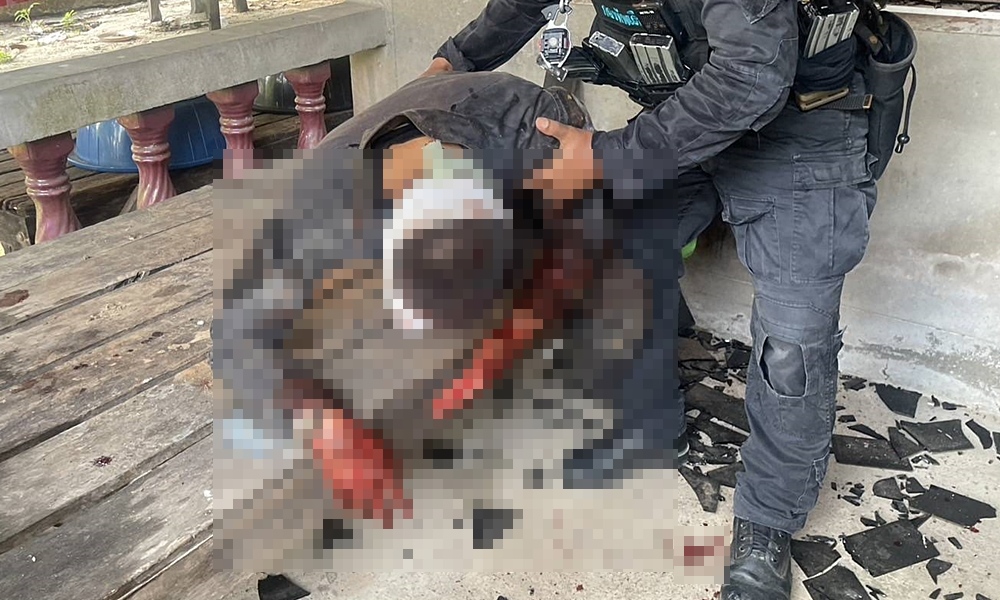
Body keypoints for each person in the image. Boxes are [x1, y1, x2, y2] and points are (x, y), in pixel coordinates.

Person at [418, 1, 894, 598]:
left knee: (791, 345)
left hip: (801, 129)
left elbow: (751, 75)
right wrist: (453, 62)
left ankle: (769, 518)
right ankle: (647, 426)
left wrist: (605, 155)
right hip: (685, 116)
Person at [214, 68, 680, 528]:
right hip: (425, 148)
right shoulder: (310, 221)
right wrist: (329, 432)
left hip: (511, 127)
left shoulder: (540, 159)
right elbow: (237, 333)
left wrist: (483, 367)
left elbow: (564, 272)